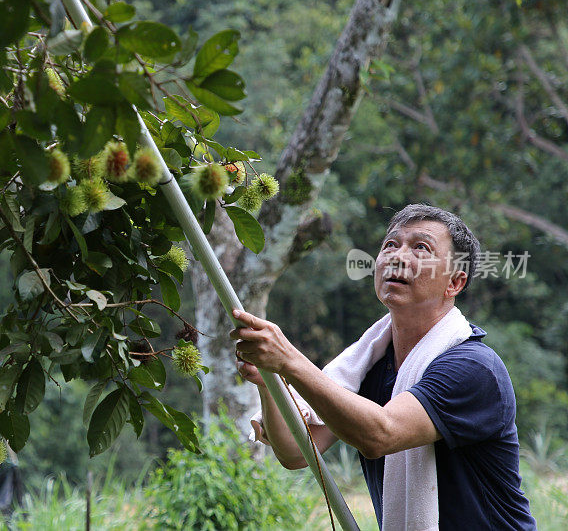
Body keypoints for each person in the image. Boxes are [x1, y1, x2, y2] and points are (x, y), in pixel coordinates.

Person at [230, 204, 536, 530]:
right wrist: (270, 380)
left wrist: (290, 361)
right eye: (390, 244)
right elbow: (295, 452)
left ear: (455, 283)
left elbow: (380, 434)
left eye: (421, 247)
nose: (397, 256)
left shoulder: (473, 368)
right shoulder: (369, 365)